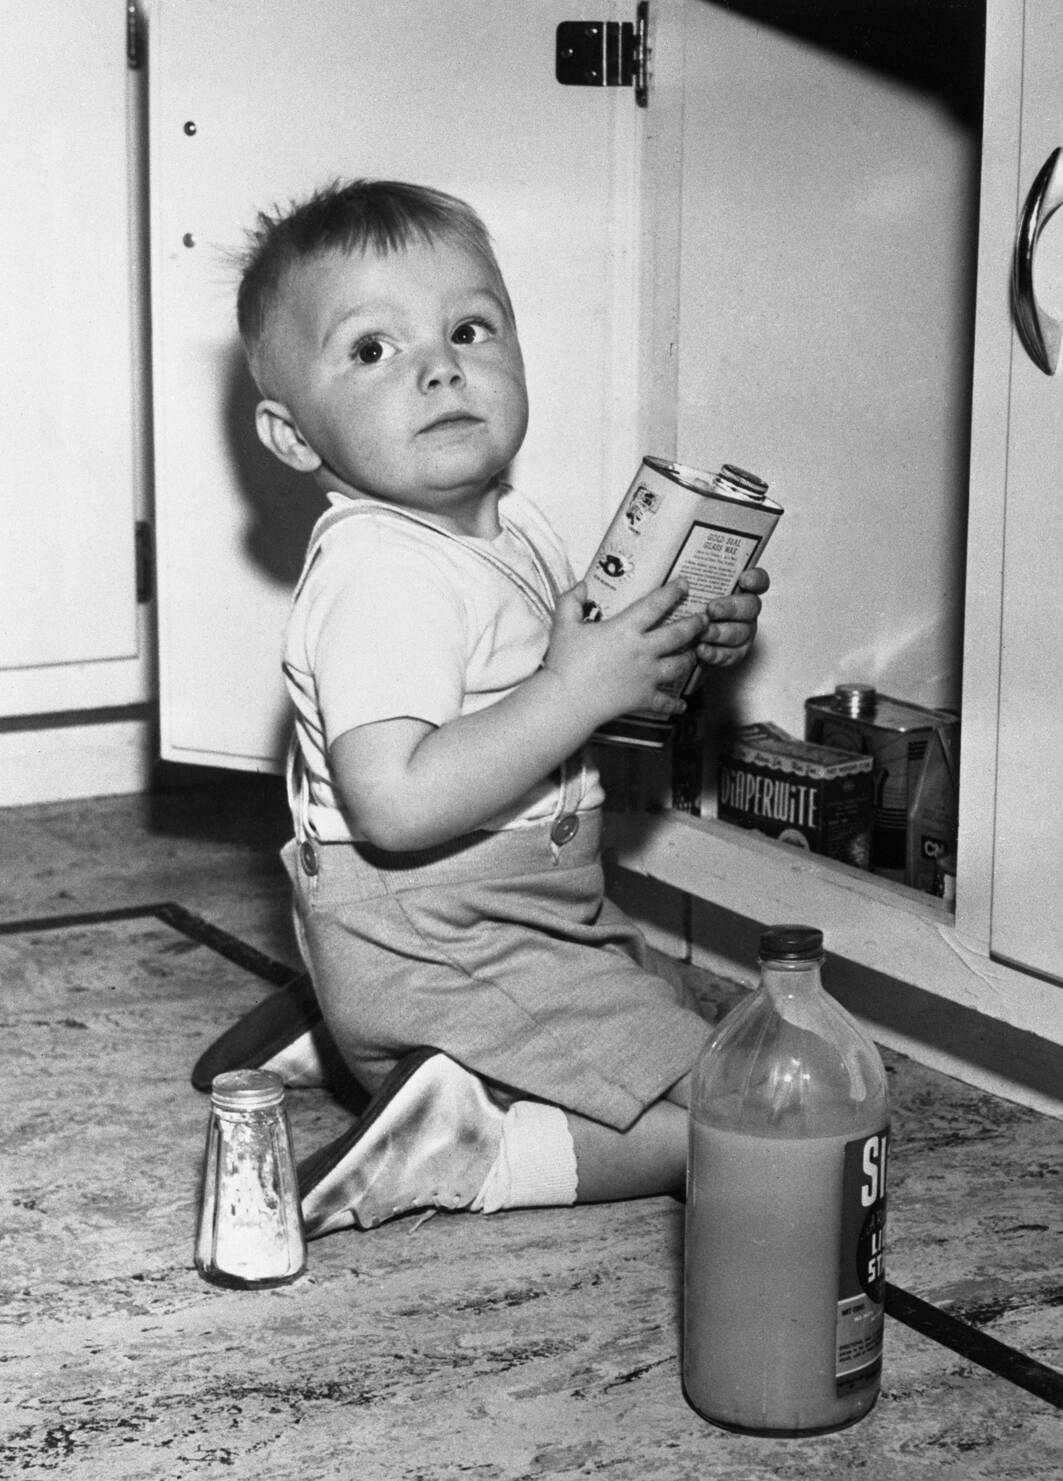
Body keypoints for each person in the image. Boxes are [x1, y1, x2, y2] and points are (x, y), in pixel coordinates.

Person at [194, 179, 771, 1238]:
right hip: (444, 928)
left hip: (509, 914)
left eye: (468, 328)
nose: (438, 364)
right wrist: (574, 686)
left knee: (661, 1021)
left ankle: (355, 1037)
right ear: (291, 435)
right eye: (371, 350)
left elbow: (569, 709)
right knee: (733, 1120)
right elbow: (398, 804)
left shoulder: (512, 529)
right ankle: (470, 1149)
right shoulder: (383, 574)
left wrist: (665, 653)